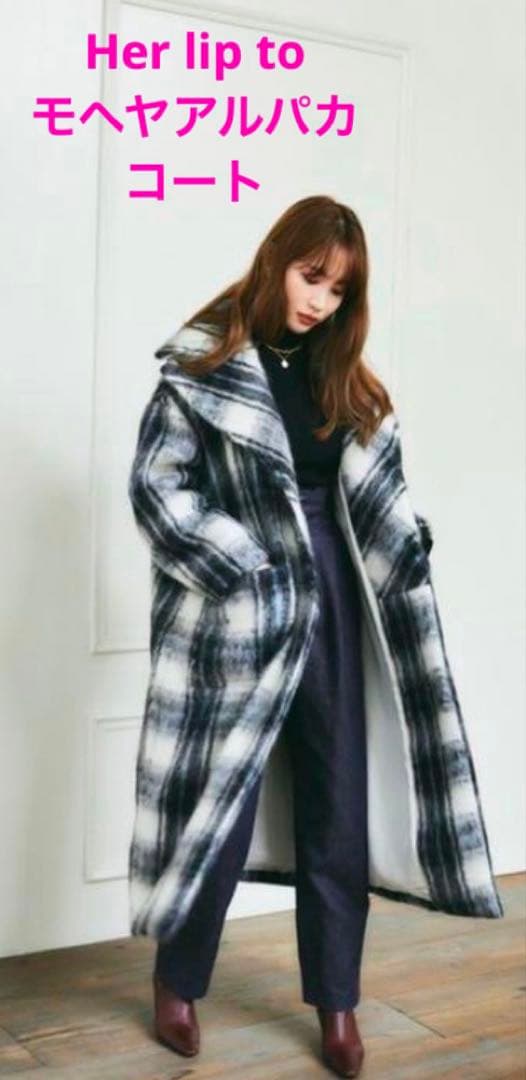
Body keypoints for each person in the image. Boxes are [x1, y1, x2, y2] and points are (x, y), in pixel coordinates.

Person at [127, 195, 503, 1079]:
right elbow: (158, 486)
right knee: (221, 802)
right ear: (277, 260)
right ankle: (178, 981)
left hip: (333, 591)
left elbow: (381, 498)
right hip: (243, 605)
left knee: (336, 799)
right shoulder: (202, 367)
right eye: (311, 277)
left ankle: (338, 1003)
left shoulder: (350, 382)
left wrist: (408, 540)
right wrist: (239, 561)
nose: (320, 301)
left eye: (338, 290)